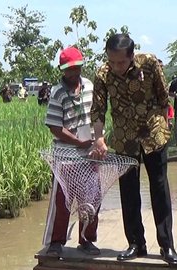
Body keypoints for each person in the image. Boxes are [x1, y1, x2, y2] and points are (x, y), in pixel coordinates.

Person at [90, 34, 177, 266]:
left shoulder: (149, 63)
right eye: (112, 62)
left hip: (153, 133)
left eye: (121, 62)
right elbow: (98, 109)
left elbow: (163, 96)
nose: (117, 67)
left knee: (159, 187)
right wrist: (99, 137)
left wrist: (164, 123)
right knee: (128, 192)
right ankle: (136, 243)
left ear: (131, 56)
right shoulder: (102, 74)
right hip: (124, 137)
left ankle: (166, 245)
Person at [43, 46, 99, 257]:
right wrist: (78, 142)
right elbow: (55, 127)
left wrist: (96, 140)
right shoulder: (58, 93)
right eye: (69, 69)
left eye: (76, 68)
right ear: (62, 69)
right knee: (62, 201)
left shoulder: (89, 86)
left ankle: (87, 240)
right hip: (66, 156)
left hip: (89, 154)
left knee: (92, 198)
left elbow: (97, 115)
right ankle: (56, 242)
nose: (73, 73)